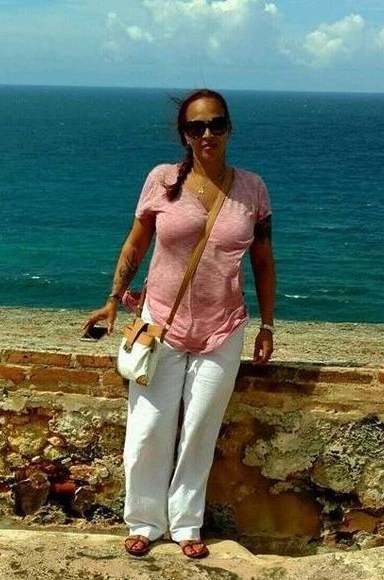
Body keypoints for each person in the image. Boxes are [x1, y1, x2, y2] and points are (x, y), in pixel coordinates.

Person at [83, 89, 276, 559]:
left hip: (223, 326)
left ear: (229, 128)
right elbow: (135, 244)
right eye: (196, 126)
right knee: (148, 427)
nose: (207, 134)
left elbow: (263, 261)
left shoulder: (252, 189)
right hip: (160, 323)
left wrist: (268, 326)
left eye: (216, 124)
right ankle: (145, 521)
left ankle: (187, 523)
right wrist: (112, 300)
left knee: (200, 429)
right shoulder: (162, 180)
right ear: (184, 134)